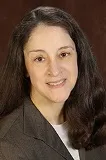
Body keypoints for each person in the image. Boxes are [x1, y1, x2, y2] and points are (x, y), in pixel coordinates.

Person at [0, 6, 106, 160]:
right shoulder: (9, 146)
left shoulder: (96, 115)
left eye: (63, 54)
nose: (55, 71)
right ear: (24, 68)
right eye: (40, 59)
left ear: (79, 57)